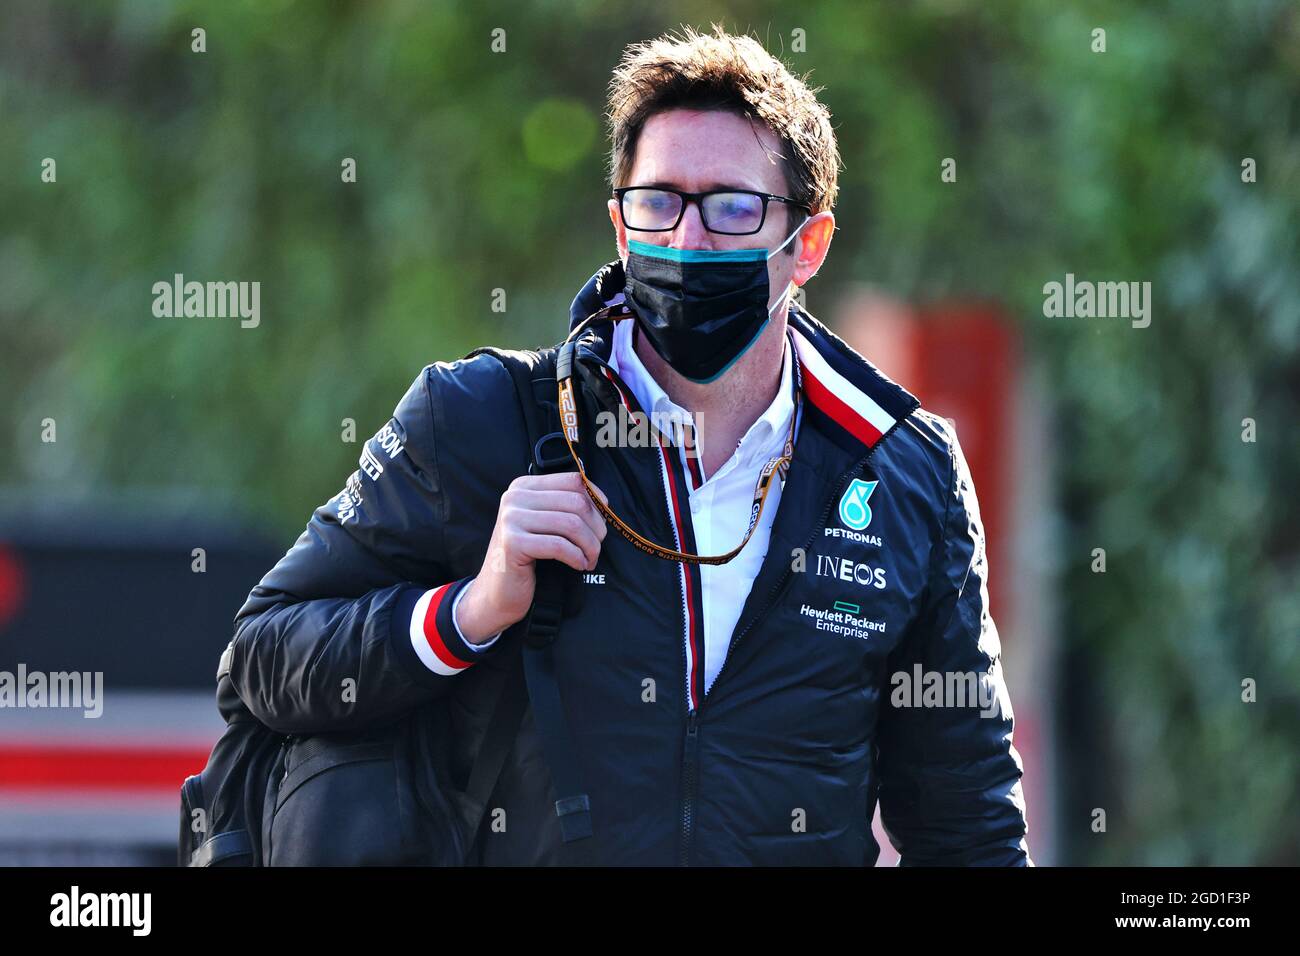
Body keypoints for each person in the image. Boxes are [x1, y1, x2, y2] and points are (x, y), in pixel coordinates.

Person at [230, 25, 1031, 866]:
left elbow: (967, 822)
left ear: (808, 245)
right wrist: (471, 609)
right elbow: (264, 654)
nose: (687, 242)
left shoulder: (903, 470)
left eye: (731, 209)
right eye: (659, 203)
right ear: (619, 224)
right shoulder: (483, 420)